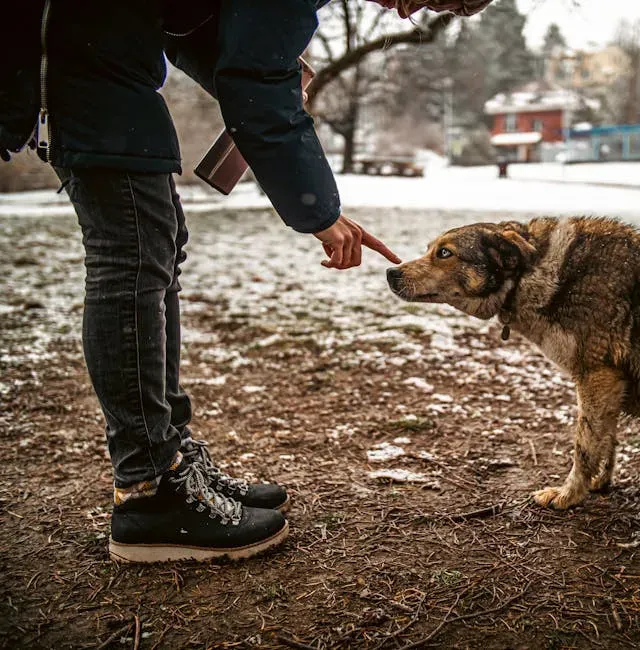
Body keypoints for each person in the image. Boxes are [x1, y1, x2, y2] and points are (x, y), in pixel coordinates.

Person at [0, 0, 488, 563]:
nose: (412, 14)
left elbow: (183, 27)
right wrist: (318, 212)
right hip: (73, 46)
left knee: (156, 246)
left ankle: (169, 459)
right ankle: (149, 489)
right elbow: (252, 82)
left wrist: (257, 63)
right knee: (130, 256)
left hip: (98, 44)